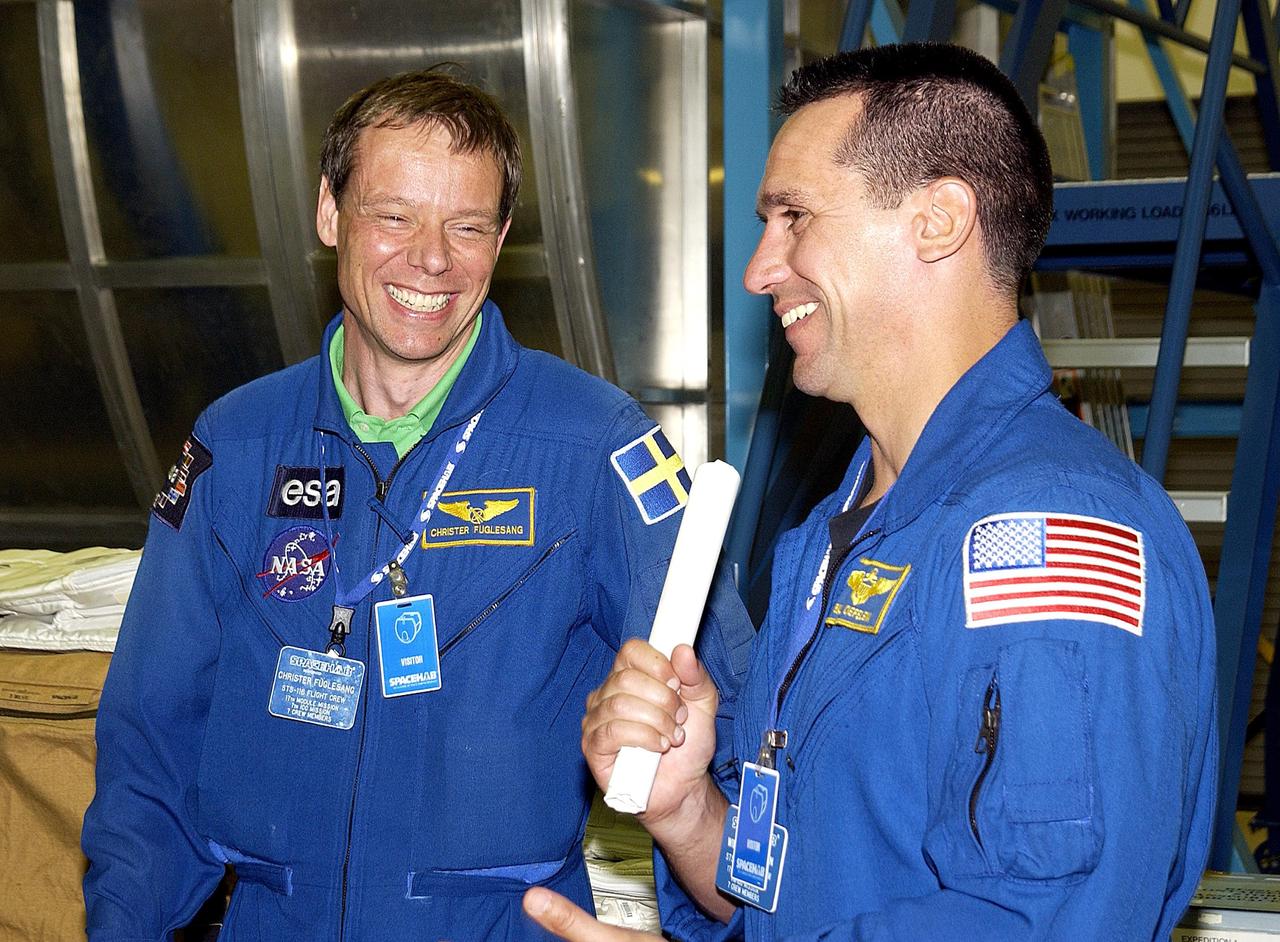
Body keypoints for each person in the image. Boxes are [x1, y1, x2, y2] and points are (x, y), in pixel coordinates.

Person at [523, 42, 1218, 942]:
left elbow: (1041, 922)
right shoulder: (837, 531)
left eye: (795, 217)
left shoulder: (1044, 535)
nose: (759, 270)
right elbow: (789, 899)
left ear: (939, 220)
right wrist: (687, 810)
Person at [81, 67, 754, 941]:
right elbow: (151, 744)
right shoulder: (236, 446)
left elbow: (725, 729)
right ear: (331, 214)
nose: (432, 258)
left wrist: (727, 915)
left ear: (500, 240)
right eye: (394, 216)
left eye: (466, 226)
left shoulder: (594, 449)